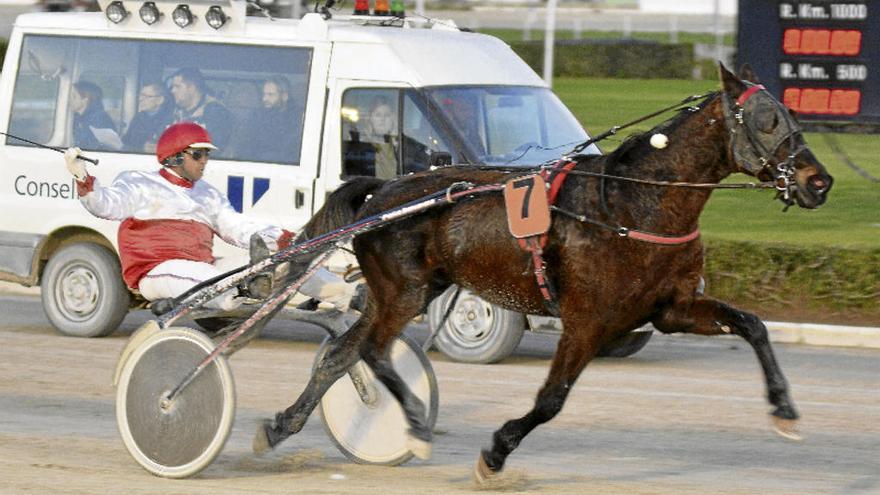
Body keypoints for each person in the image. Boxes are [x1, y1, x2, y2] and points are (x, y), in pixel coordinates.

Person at [63, 121, 357, 312]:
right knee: (208, 277)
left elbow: (237, 228)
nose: (205, 161)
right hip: (156, 271)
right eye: (198, 154)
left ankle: (348, 295)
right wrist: (83, 178)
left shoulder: (208, 194)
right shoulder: (139, 182)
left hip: (202, 266)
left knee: (291, 259)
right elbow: (105, 205)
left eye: (207, 155)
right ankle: (247, 287)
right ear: (176, 156)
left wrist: (283, 239)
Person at [169, 67, 234, 151]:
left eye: (177, 87)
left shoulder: (216, 113)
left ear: (192, 88)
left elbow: (214, 149)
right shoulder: (173, 112)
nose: (172, 91)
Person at [240, 76, 302, 163]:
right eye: (264, 94)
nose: (264, 99)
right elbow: (245, 146)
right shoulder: (256, 116)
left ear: (285, 96)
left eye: (270, 95)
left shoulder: (299, 120)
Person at [122, 82, 174, 152]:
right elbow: (126, 141)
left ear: (160, 100)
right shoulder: (138, 118)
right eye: (141, 95)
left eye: (146, 96)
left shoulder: (170, 120)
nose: (140, 99)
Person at [71, 80, 122, 150]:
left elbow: (94, 149)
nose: (69, 100)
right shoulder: (79, 118)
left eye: (74, 96)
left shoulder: (99, 120)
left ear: (85, 99)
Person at [360, 96, 399, 179]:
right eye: (378, 115)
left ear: (393, 119)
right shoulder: (361, 144)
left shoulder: (401, 146)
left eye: (387, 115)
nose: (383, 119)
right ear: (371, 118)